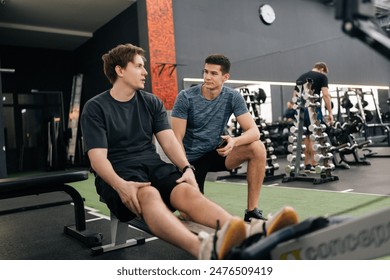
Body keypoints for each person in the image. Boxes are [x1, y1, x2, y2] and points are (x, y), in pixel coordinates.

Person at [80, 43, 298, 259]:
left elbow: (169, 142)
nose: (145, 71)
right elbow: (98, 159)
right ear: (119, 70)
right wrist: (121, 185)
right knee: (149, 194)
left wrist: (186, 168)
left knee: (186, 190)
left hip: (153, 166)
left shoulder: (151, 102)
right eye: (138, 66)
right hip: (119, 173)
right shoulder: (96, 107)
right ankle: (201, 249)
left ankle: (246, 232)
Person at [171, 54, 267, 222]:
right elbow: (176, 139)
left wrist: (234, 141)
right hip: (192, 159)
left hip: (218, 152)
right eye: (206, 72)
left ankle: (252, 211)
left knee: (257, 147)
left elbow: (254, 131)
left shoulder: (232, 97)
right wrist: (184, 167)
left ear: (225, 77)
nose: (207, 77)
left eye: (214, 73)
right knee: (190, 216)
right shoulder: (185, 97)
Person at [294, 62, 334, 173]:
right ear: (321, 68)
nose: (323, 73)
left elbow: (295, 96)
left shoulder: (301, 77)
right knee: (315, 136)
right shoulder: (322, 77)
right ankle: (315, 164)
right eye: (323, 71)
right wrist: (330, 112)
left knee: (306, 137)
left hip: (301, 110)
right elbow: (326, 94)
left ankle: (307, 165)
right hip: (313, 108)